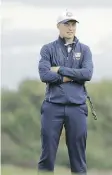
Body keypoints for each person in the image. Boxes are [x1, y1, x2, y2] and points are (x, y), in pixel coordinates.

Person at [37, 10, 94, 175]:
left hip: (76, 107)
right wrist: (67, 78)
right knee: (47, 154)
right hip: (52, 106)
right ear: (58, 26)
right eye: (66, 24)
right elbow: (45, 75)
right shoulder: (48, 49)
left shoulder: (85, 50)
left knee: (78, 157)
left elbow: (87, 74)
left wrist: (61, 69)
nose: (70, 28)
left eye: (73, 24)